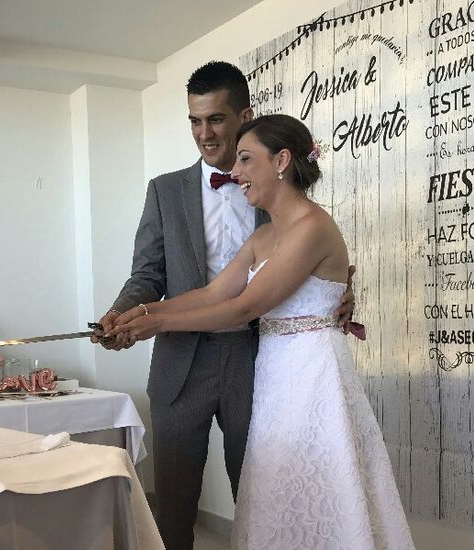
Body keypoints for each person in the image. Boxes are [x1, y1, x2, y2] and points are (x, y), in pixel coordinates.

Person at [111, 114, 414, 549]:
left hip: (314, 377)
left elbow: (245, 307)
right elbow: (214, 292)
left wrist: (157, 324)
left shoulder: (314, 227)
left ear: (282, 161)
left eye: (246, 160)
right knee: (276, 491)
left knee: (320, 491)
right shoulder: (264, 236)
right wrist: (139, 310)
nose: (235, 173)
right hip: (273, 374)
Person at [94, 61, 354, 550]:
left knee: (259, 490)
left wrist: (340, 293)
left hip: (259, 360)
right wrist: (130, 314)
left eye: (215, 119)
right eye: (194, 121)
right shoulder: (164, 190)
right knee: (172, 500)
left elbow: (274, 287)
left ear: (244, 117)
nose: (204, 133)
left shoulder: (281, 196)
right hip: (181, 359)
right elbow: (151, 275)